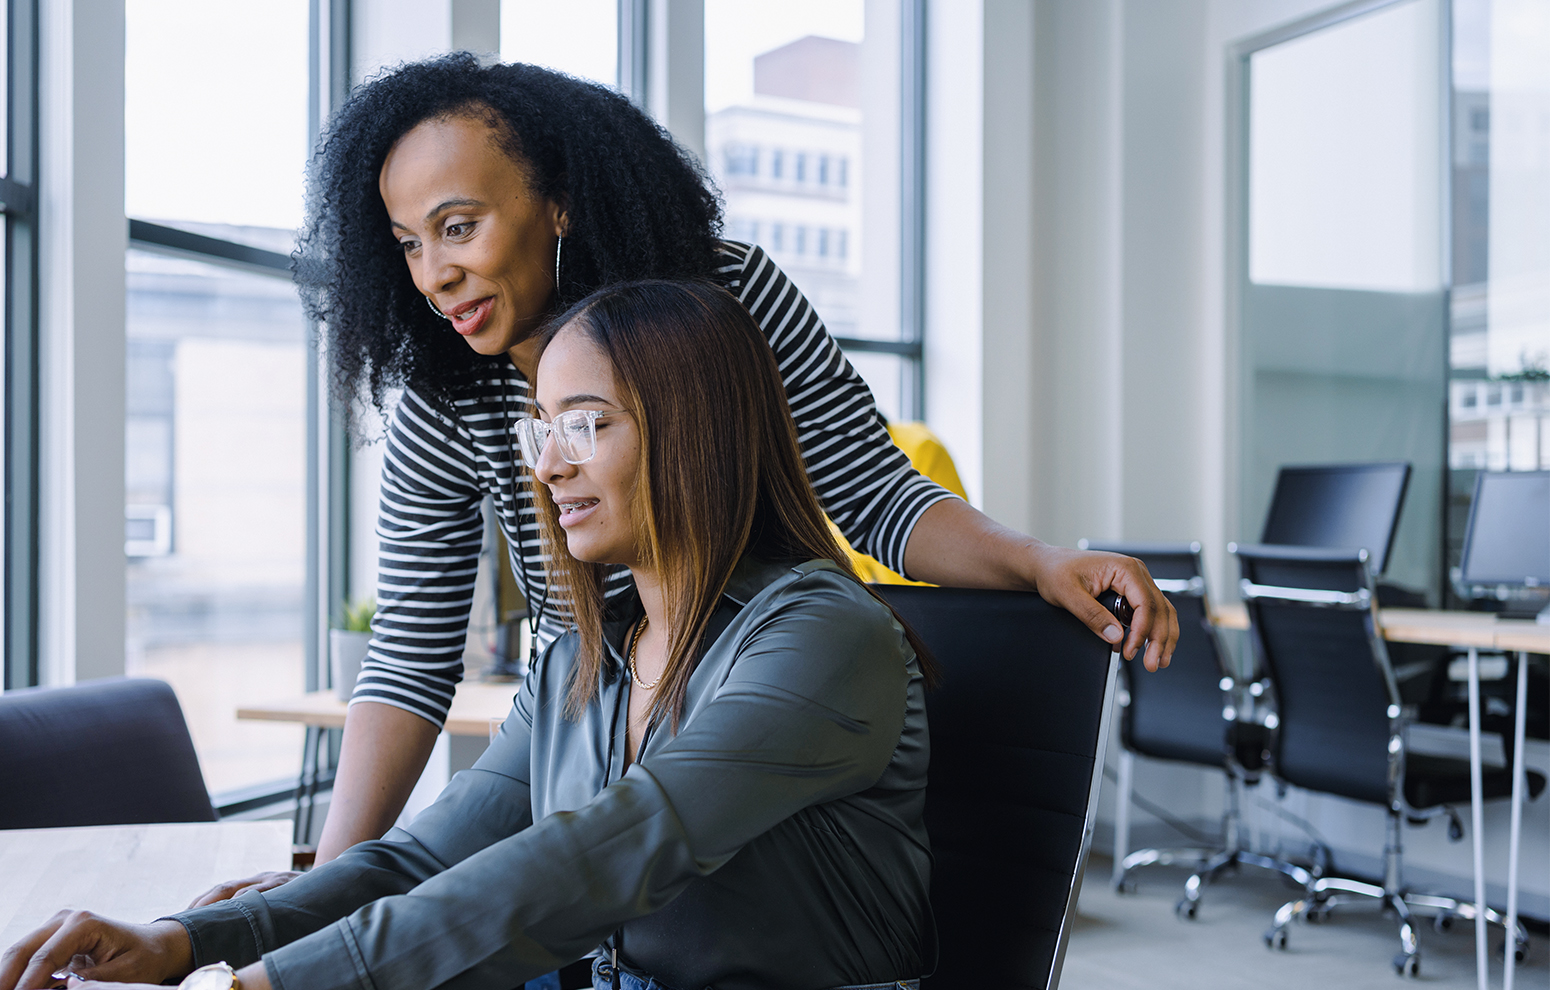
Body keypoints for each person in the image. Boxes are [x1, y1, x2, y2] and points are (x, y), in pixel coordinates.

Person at [196, 52, 1174, 895]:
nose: (432, 275)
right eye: (406, 244)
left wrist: (1036, 561)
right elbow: (410, 655)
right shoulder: (446, 398)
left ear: (559, 204)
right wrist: (328, 878)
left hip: (761, 724)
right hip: (600, 735)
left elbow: (874, 497)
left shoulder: (724, 302)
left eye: (458, 228)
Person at [0, 280, 935, 990]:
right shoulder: (584, 651)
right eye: (541, 432)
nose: (549, 465)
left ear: (697, 433)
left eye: (586, 425)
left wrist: (266, 985)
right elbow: (425, 856)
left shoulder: (823, 635)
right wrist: (184, 942)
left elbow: (607, 850)